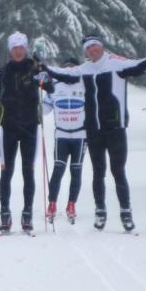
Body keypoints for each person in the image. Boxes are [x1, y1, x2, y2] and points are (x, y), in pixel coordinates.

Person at [43, 34, 146, 232]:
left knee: (118, 172)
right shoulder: (84, 69)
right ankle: (100, 212)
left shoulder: (115, 63)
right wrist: (43, 67)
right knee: (98, 173)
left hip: (115, 128)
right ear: (86, 52)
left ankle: (126, 212)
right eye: (88, 49)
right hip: (93, 130)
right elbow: (63, 74)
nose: (92, 50)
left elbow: (139, 65)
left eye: (95, 47)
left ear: (102, 46)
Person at [0, 32, 53, 234]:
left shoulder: (35, 68)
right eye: (15, 48)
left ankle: (27, 213)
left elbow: (50, 87)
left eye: (21, 47)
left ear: (26, 49)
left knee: (28, 171)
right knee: (7, 172)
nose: (18, 51)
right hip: (9, 128)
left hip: (30, 128)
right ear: (10, 51)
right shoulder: (4, 71)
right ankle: (5, 213)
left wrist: (45, 77)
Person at [41, 57, 86, 224]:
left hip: (80, 135)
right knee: (58, 169)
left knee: (76, 170)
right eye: (66, 68)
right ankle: (52, 204)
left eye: (72, 68)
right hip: (62, 135)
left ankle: (71, 204)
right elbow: (45, 108)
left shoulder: (84, 84)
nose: (69, 71)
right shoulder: (54, 87)